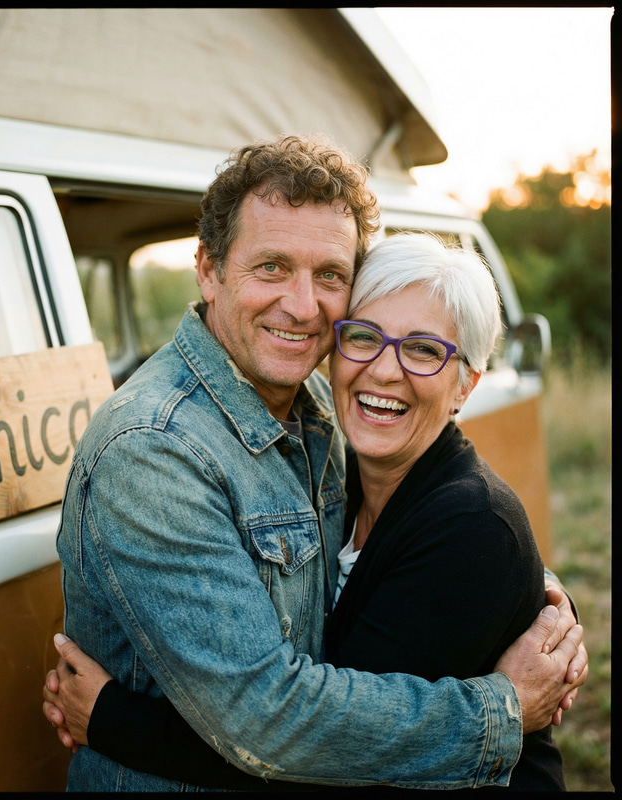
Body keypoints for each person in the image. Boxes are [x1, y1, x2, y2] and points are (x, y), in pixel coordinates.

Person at [47, 135, 587, 792]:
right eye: (271, 267)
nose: (303, 306)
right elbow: (267, 719)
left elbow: (445, 528)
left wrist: (537, 600)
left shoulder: (318, 402)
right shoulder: (155, 449)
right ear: (209, 269)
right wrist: (500, 710)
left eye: (330, 276)